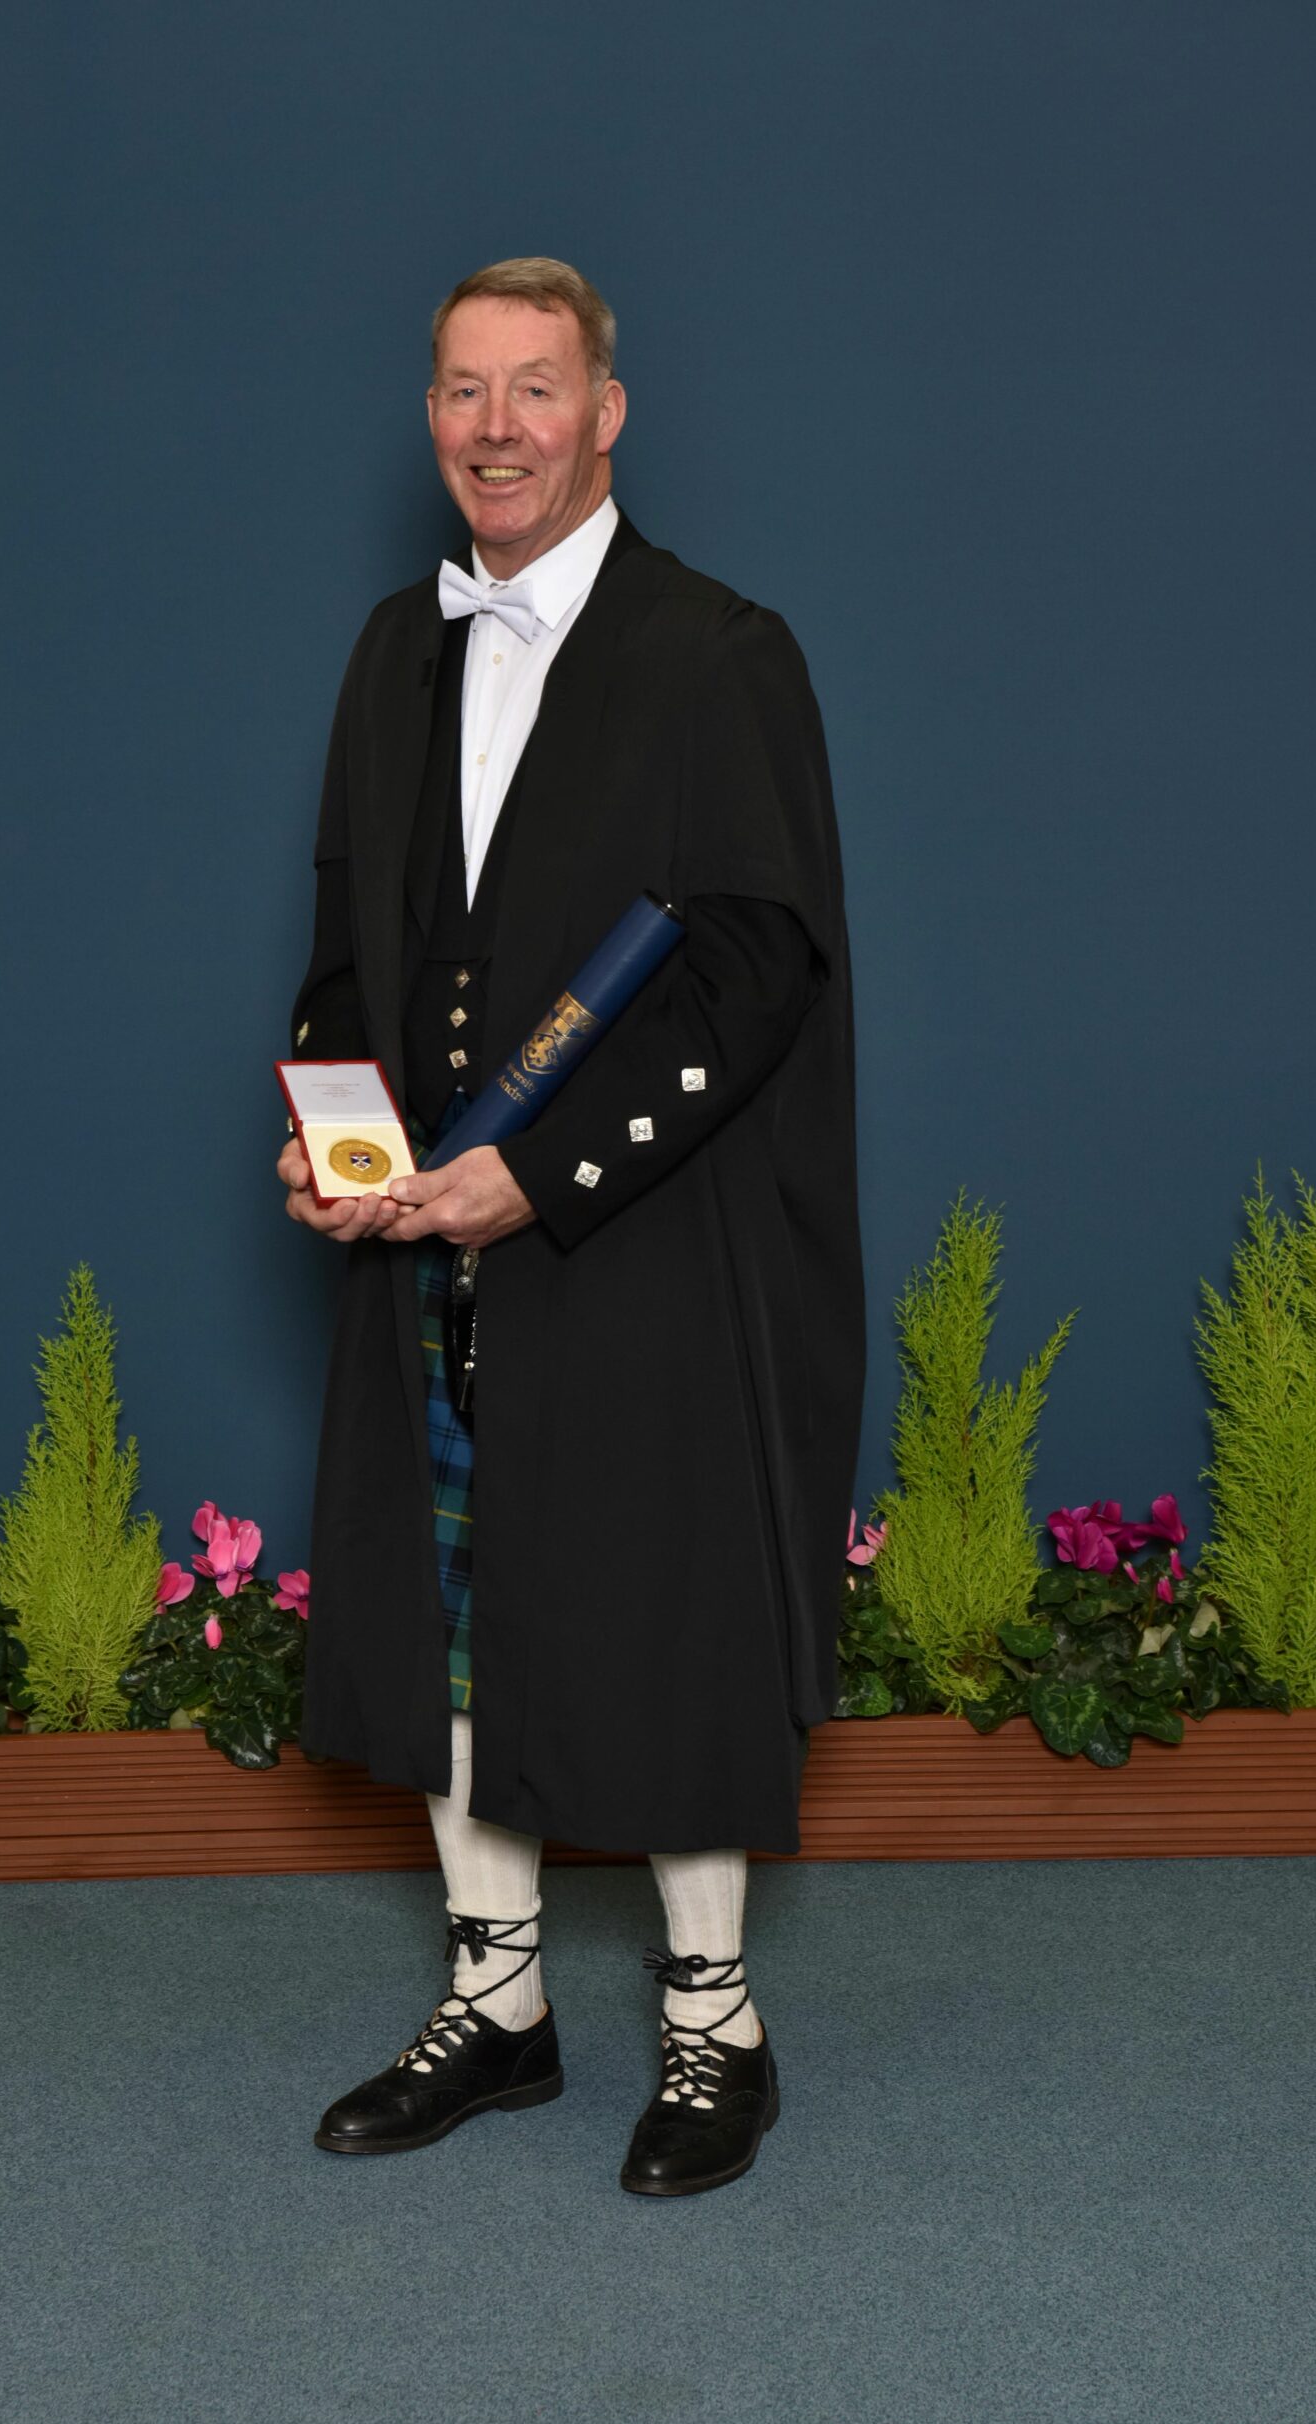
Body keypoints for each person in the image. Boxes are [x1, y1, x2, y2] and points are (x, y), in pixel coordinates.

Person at [278, 256, 863, 2196]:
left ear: (606, 414)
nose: (497, 427)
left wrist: (545, 1173)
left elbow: (759, 967)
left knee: (662, 1610)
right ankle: (498, 2001)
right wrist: (344, 1149)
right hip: (429, 1231)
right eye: (464, 390)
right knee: (455, 1617)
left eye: (536, 388)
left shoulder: (718, 651)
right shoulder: (396, 646)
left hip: (646, 1230)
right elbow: (348, 944)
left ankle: (715, 2029)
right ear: (430, 417)